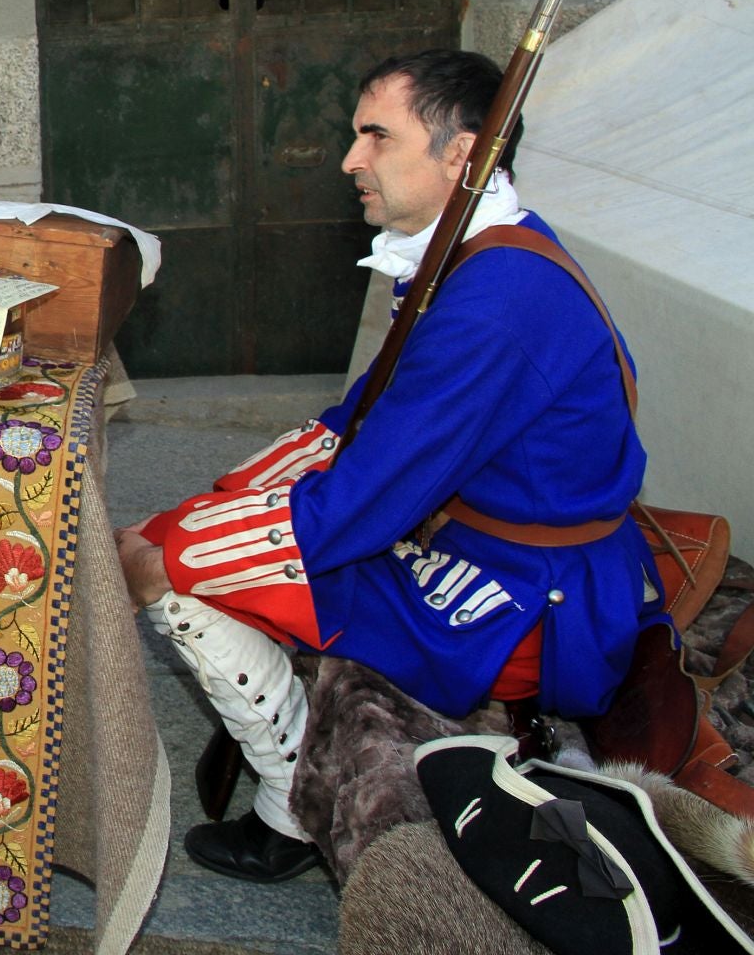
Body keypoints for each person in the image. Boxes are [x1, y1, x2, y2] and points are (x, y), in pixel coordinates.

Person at [116, 48, 659, 882]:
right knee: (178, 532)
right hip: (476, 547)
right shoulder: (474, 255)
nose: (350, 161)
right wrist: (219, 500)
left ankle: (289, 801)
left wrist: (179, 543)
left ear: (464, 156)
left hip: (524, 603)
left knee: (160, 565)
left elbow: (364, 504)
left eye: (376, 136)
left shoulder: (498, 302)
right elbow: (358, 421)